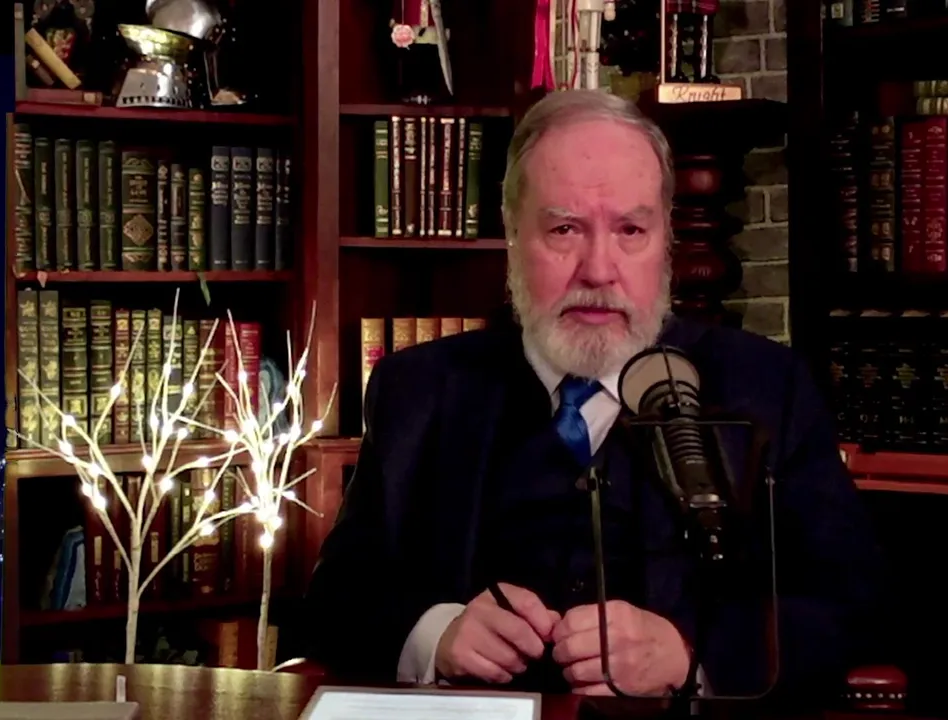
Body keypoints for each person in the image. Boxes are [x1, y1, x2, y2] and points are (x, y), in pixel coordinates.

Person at [301, 89, 884, 701]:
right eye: (565, 229)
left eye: (631, 229)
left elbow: (858, 605)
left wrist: (689, 656)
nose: (599, 270)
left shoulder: (767, 388)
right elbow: (333, 603)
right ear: (511, 233)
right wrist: (436, 634)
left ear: (665, 239)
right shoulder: (418, 390)